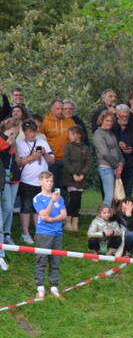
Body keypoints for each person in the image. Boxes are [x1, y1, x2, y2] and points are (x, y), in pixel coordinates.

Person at [17, 120, 56, 243]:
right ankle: (25, 233)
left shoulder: (42, 142)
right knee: (26, 207)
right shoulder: (19, 144)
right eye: (29, 132)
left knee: (40, 208)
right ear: (24, 132)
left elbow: (51, 161)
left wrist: (44, 154)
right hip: (27, 180)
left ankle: (39, 232)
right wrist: (32, 157)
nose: (32, 134)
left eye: (34, 131)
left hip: (42, 181)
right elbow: (19, 162)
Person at [32, 171, 66, 299]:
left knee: (55, 262)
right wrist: (51, 202)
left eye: (51, 181)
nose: (50, 183)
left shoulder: (59, 197)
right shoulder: (38, 198)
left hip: (58, 233)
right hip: (43, 234)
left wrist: (52, 219)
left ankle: (54, 287)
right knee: (41, 261)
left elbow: (64, 215)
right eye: (47, 181)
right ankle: (40, 288)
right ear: (41, 182)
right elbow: (44, 215)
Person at [62, 125, 91, 233]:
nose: (70, 136)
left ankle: (75, 222)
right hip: (71, 178)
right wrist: (73, 174)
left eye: (72, 134)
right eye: (69, 134)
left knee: (78, 200)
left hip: (81, 178)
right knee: (73, 199)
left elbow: (88, 162)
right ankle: (67, 222)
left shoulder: (85, 148)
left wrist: (83, 174)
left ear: (79, 135)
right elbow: (66, 161)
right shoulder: (68, 147)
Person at [41, 99, 73, 189]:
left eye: (62, 109)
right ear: (52, 109)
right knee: (51, 187)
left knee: (64, 188)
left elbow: (75, 139)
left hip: (66, 160)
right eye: (57, 109)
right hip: (52, 160)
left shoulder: (70, 122)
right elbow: (40, 139)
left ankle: (63, 199)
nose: (60, 111)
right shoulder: (45, 122)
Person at [93, 111, 122, 207]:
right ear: (101, 121)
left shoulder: (111, 133)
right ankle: (104, 215)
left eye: (111, 121)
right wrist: (116, 166)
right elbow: (104, 153)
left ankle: (111, 215)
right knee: (109, 195)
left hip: (115, 166)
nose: (109, 123)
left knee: (115, 196)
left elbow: (117, 149)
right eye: (107, 120)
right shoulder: (98, 134)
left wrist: (121, 163)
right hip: (105, 167)